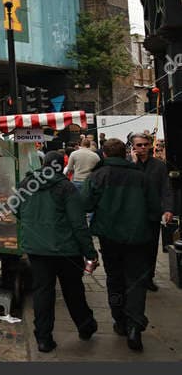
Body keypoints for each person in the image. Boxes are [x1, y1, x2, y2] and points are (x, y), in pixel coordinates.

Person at [83, 138, 169, 351]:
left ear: (104, 154)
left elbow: (85, 203)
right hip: (137, 237)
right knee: (136, 281)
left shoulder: (98, 176)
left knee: (115, 279)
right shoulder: (141, 177)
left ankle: (120, 320)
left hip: (109, 237)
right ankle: (134, 325)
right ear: (125, 153)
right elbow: (153, 208)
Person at [16, 151, 98, 353]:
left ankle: (43, 338)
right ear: (61, 164)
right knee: (73, 290)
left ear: (43, 163)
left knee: (43, 292)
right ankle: (85, 325)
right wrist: (90, 252)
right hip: (66, 249)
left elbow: (16, 209)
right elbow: (78, 223)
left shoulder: (26, 183)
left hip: (37, 248)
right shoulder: (66, 187)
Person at [129, 133, 175, 291]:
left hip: (152, 213)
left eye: (145, 144)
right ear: (132, 147)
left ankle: (149, 277)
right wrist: (134, 164)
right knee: (135, 248)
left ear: (150, 146)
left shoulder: (159, 165)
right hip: (133, 214)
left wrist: (168, 209)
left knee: (151, 247)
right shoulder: (128, 165)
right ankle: (135, 278)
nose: (143, 148)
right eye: (139, 145)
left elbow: (166, 189)